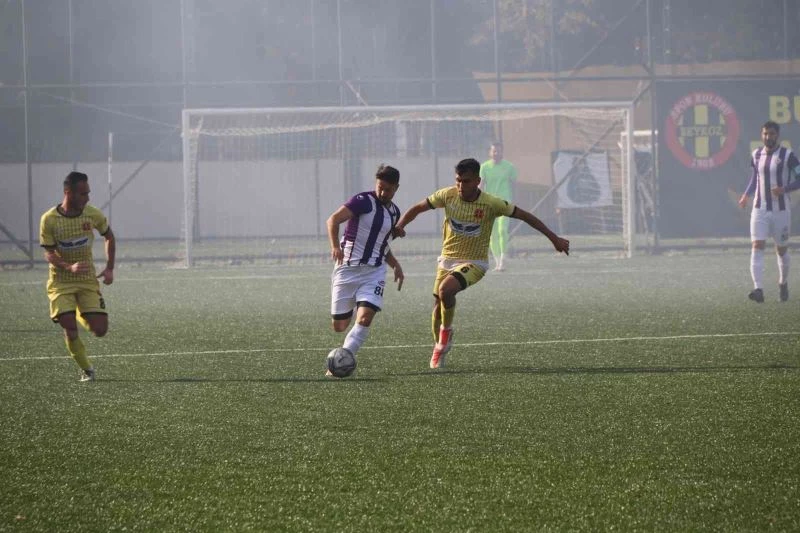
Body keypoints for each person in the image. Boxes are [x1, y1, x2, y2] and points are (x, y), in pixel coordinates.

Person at [393, 158, 569, 369]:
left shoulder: (491, 203)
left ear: (478, 181)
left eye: (466, 181)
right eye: (458, 180)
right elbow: (417, 208)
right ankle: (440, 345)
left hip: (474, 262)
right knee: (438, 306)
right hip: (446, 260)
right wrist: (400, 225)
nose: (461, 185)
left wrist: (554, 238)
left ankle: (445, 335)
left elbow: (525, 216)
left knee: (445, 290)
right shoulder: (447, 195)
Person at [326, 164, 405, 375]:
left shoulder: (394, 213)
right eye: (380, 187)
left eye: (388, 189)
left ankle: (341, 362)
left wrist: (395, 265)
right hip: (347, 270)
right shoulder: (362, 201)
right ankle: (356, 302)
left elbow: (382, 244)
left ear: (396, 188)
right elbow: (333, 220)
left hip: (374, 272)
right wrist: (335, 246)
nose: (383, 192)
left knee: (365, 318)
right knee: (339, 326)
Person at [39, 171, 115, 382]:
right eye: (83, 194)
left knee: (100, 330)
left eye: (88, 193)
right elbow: (49, 253)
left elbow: (109, 236)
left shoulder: (92, 214)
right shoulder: (49, 219)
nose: (87, 198)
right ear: (68, 193)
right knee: (69, 327)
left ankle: (80, 311)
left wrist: (109, 268)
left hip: (87, 280)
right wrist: (68, 267)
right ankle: (87, 369)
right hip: (61, 282)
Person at [738, 121, 800, 303]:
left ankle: (783, 282)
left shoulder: (788, 156)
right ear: (761, 135)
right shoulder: (756, 154)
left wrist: (784, 189)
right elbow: (755, 179)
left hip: (781, 210)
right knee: (757, 246)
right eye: (765, 133)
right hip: (760, 209)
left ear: (777, 135)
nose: (768, 137)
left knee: (781, 250)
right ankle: (758, 289)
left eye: (771, 134)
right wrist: (745, 195)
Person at [479, 141, 518, 271]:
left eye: (499, 151)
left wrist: (514, 200)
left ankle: (503, 259)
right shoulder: (484, 167)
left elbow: (514, 184)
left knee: (502, 230)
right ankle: (497, 262)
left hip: (504, 203)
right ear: (490, 152)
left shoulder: (509, 167)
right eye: (494, 151)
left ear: (502, 152)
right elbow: (481, 185)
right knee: (492, 234)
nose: (496, 153)